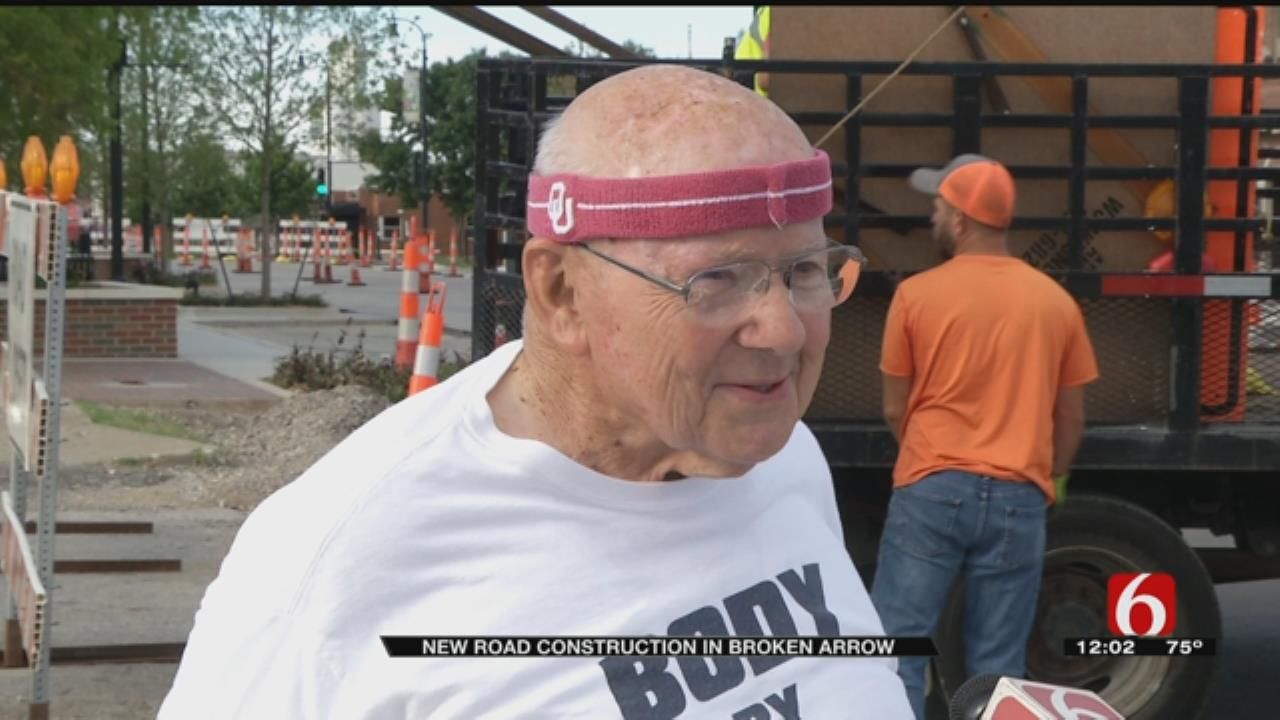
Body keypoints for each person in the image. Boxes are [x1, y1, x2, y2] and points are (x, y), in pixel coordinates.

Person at [160, 64, 913, 719]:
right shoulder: (339, 565)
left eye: (808, 272)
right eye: (716, 280)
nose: (783, 332)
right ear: (560, 292)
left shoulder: (778, 456)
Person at [869, 154, 1099, 718]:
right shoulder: (1055, 303)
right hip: (1020, 497)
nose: (932, 219)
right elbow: (1071, 418)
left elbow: (896, 407)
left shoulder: (916, 296)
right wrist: (1058, 479)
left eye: (938, 208)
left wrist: (931, 461)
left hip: (931, 487)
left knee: (897, 650)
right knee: (998, 665)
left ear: (963, 221)